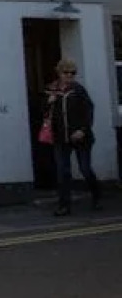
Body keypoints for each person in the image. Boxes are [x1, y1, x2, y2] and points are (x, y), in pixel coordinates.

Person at [46, 58, 102, 216]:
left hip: (81, 137)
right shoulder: (52, 90)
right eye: (66, 72)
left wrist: (83, 129)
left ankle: (97, 196)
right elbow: (44, 113)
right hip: (60, 138)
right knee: (63, 172)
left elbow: (89, 111)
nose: (70, 75)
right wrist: (48, 102)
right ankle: (64, 206)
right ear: (59, 73)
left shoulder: (78, 90)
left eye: (73, 73)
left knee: (85, 168)